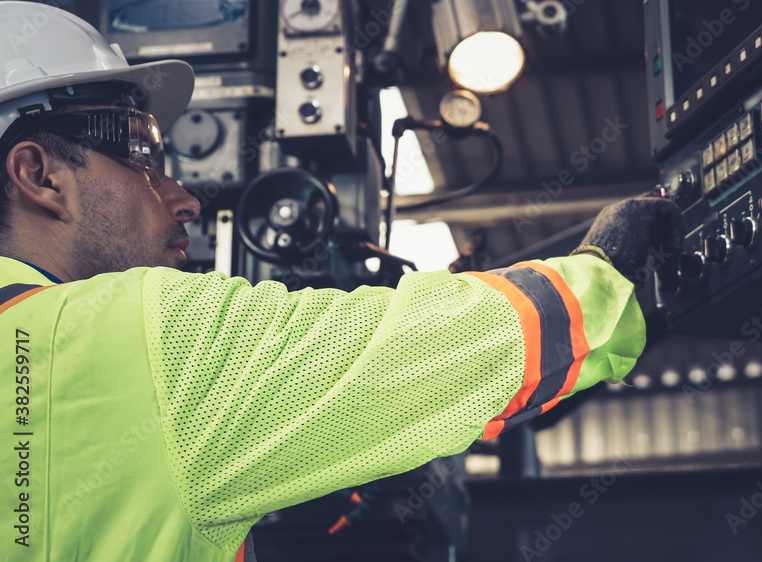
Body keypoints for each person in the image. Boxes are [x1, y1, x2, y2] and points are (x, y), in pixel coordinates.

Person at [0, 3, 682, 561]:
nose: (183, 197)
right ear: (38, 175)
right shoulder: (132, 335)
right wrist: (603, 281)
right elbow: (421, 353)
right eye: (144, 155)